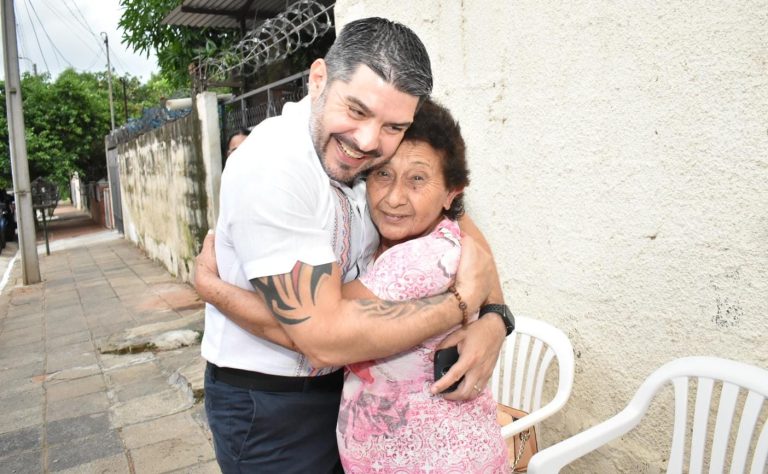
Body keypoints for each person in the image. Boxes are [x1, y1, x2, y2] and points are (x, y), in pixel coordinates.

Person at [198, 17, 509, 473]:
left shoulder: (367, 154)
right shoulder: (274, 168)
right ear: (318, 78)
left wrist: (496, 318)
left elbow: (467, 240)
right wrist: (460, 305)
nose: (368, 141)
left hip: (345, 392)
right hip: (271, 406)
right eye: (357, 111)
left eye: (393, 126)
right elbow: (324, 338)